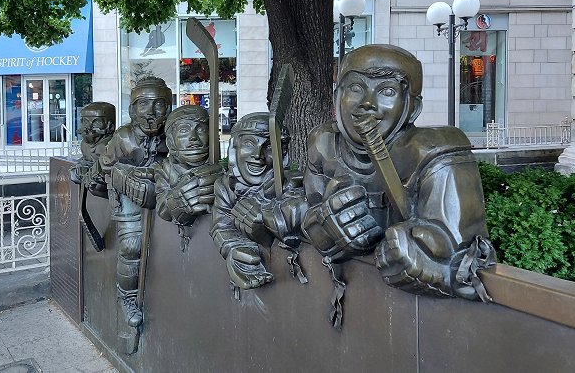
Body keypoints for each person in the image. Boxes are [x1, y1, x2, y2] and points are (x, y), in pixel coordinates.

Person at [302, 44, 494, 302]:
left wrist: (428, 262)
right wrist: (318, 225)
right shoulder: (323, 144)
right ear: (338, 96)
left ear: (411, 108)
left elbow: (466, 256)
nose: (368, 104)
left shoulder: (432, 151)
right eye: (357, 88)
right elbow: (308, 210)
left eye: (387, 91)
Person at [90, 77, 172, 328]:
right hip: (129, 195)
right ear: (132, 110)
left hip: (163, 189)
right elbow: (105, 165)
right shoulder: (123, 137)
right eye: (144, 104)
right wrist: (122, 177)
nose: (152, 112)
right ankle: (127, 297)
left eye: (159, 104)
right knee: (132, 246)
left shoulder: (171, 133)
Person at [211, 112, 306, 291]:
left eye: (269, 147)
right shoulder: (225, 186)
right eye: (249, 144)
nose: (257, 155)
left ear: (282, 154)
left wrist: (266, 214)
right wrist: (235, 250)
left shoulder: (292, 186)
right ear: (234, 148)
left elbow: (298, 216)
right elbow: (221, 225)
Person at [154, 105, 223, 250]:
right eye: (184, 131)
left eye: (201, 129)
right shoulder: (165, 169)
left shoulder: (222, 169)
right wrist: (177, 201)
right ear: (171, 141)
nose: (193, 138)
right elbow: (162, 207)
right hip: (179, 245)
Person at [70, 101, 115, 189]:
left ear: (110, 126)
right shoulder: (84, 144)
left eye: (96, 122)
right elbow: (85, 161)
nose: (89, 127)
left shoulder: (110, 145)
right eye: (86, 122)